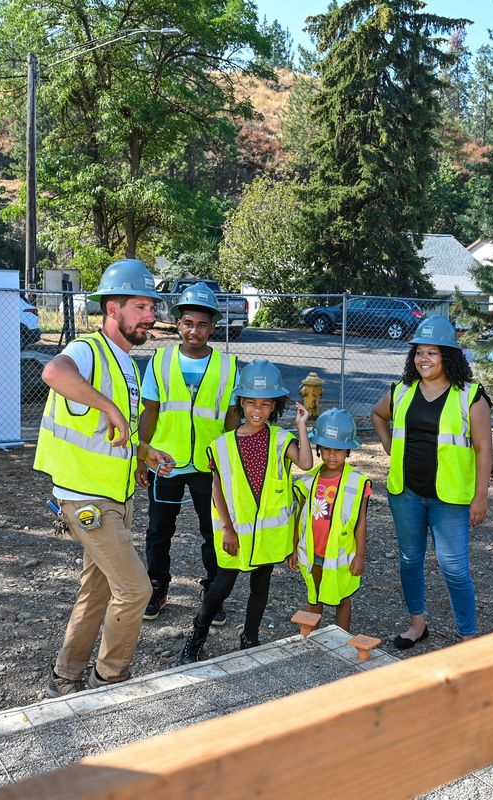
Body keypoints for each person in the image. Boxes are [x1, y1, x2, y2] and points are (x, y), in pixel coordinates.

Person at [33, 259, 175, 697]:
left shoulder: (128, 365)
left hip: (114, 497)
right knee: (135, 591)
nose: (150, 316)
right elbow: (53, 372)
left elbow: (110, 435)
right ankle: (108, 680)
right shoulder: (87, 350)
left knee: (96, 593)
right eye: (139, 306)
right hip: (86, 501)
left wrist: (144, 453)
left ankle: (66, 676)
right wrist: (111, 408)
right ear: (112, 308)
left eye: (151, 307)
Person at [179, 360, 313, 663]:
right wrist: (227, 527)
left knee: (260, 586)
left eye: (265, 404)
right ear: (240, 402)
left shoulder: (281, 439)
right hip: (234, 534)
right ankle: (197, 635)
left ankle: (250, 637)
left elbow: (306, 463)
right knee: (221, 586)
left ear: (275, 406)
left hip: (266, 537)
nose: (257, 409)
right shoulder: (222, 445)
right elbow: (218, 489)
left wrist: (302, 426)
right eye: (251, 402)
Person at [370, 316, 492, 649]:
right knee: (410, 560)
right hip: (406, 493)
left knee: (454, 568)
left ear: (449, 357)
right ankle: (417, 625)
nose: (424, 359)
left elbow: (484, 449)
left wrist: (480, 496)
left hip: (450, 498)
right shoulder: (401, 390)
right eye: (419, 352)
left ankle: (468, 637)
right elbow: (377, 415)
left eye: (433, 353)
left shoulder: (471, 396)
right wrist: (390, 450)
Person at [135, 282, 239, 624]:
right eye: (188, 323)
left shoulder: (228, 367)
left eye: (202, 324)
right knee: (159, 528)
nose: (195, 330)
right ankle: (157, 586)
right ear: (178, 324)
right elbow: (149, 410)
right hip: (166, 462)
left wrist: (232, 465)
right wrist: (142, 454)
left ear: (213, 327)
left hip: (209, 467)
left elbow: (232, 419)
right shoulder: (160, 360)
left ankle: (214, 591)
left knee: (212, 531)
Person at [287, 408, 371, 632]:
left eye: (339, 450)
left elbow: (361, 522)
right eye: (326, 449)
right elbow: (300, 516)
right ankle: (310, 641)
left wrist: (360, 555)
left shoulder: (358, 482)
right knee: (314, 595)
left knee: (342, 598)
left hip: (342, 554)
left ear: (349, 451)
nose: (332, 455)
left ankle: (340, 640)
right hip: (313, 552)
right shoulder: (308, 480)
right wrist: (294, 547)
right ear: (318, 449)